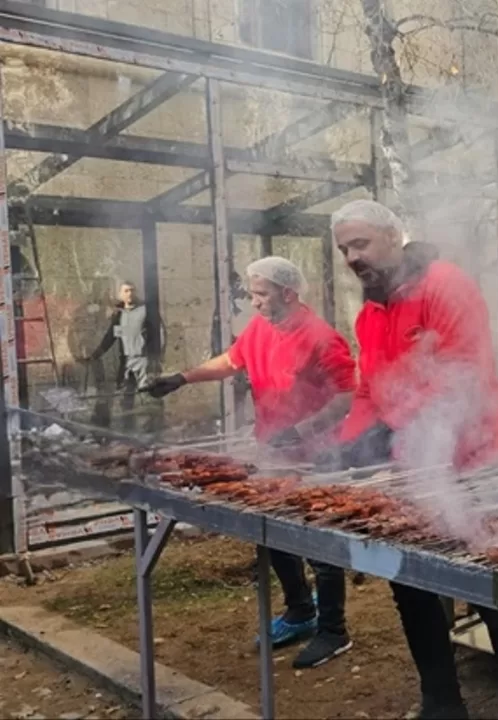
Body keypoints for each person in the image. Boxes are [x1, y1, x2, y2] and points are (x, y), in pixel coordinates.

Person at [328, 199, 498, 720]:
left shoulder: (445, 284)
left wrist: (390, 430)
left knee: (494, 587)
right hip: (414, 473)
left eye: (360, 243)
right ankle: (441, 701)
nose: (352, 256)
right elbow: (369, 391)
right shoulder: (368, 313)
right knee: (412, 585)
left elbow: (459, 379)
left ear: (392, 236)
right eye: (343, 249)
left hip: (477, 467)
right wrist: (349, 442)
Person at [144, 257, 357, 669]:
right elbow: (231, 361)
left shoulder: (322, 338)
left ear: (288, 294)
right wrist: (182, 378)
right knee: (271, 532)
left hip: (316, 456)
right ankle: (300, 611)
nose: (254, 301)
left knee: (321, 543)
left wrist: (302, 429)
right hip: (271, 450)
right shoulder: (260, 328)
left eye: (261, 294)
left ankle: (334, 630)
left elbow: (347, 396)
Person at [83, 281, 160, 432]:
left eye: (132, 290)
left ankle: (151, 432)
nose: (129, 294)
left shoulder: (145, 311)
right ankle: (128, 431)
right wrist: (96, 354)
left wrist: (155, 357)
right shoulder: (119, 315)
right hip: (125, 361)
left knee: (146, 397)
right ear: (120, 295)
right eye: (126, 291)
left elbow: (157, 334)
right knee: (126, 398)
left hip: (142, 359)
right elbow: (111, 336)